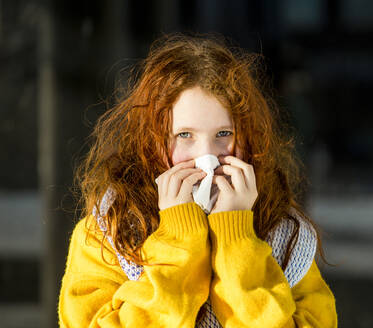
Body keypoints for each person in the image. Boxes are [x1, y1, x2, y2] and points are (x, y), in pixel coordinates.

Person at [58, 32, 337, 328]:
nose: (207, 158)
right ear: (150, 142)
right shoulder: (110, 230)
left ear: (251, 137)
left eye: (224, 135)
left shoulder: (286, 234)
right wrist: (177, 242)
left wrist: (238, 239)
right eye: (184, 136)